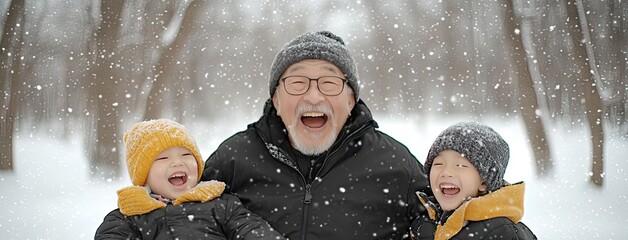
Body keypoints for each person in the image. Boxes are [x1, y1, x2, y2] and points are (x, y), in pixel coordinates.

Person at [201, 30, 429, 240]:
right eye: (297, 83)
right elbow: (182, 221)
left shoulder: (396, 166)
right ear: (277, 101)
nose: (313, 97)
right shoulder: (232, 161)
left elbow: (452, 223)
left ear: (351, 101)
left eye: (329, 83)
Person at [95, 119, 285, 240]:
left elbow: (251, 230)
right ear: (143, 175)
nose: (178, 163)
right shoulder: (128, 217)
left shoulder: (221, 205)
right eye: (163, 158)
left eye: (186, 155)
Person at [410, 122, 537, 240]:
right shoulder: (423, 223)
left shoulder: (501, 232)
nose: (446, 172)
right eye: (438, 164)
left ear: (484, 182)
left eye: (460, 165)